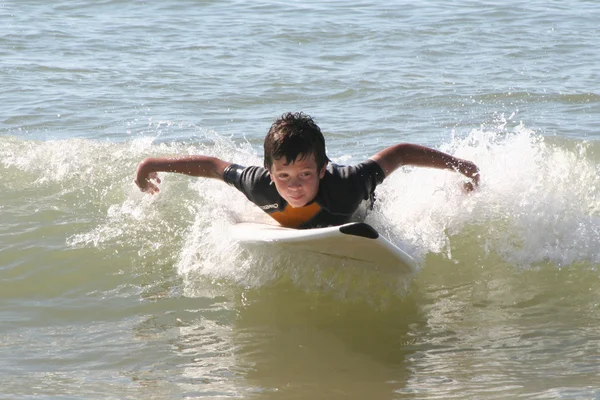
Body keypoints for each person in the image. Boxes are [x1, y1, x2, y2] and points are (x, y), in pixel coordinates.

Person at [135, 112, 480, 229]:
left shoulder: (348, 184)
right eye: (283, 176)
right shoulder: (259, 185)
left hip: (358, 217)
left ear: (323, 170)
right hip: (299, 219)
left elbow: (401, 153)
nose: (294, 185)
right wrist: (152, 164)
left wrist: (462, 167)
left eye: (305, 174)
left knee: (370, 212)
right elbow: (212, 166)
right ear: (269, 172)